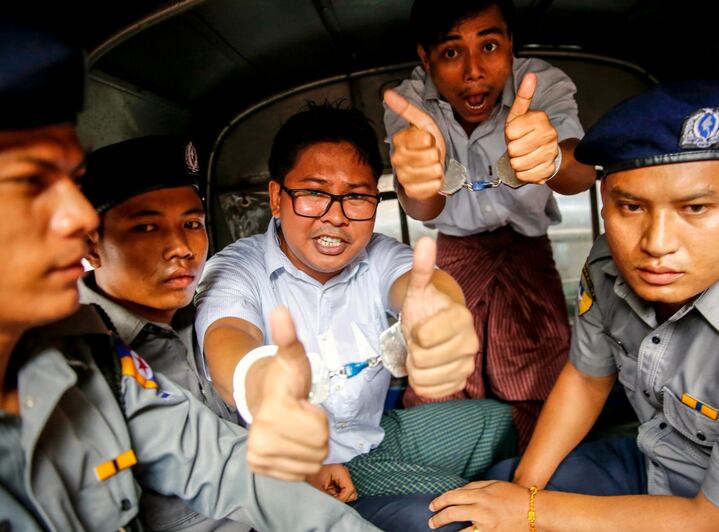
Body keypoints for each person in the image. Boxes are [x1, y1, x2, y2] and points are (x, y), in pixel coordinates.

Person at [0, 25, 378, 532]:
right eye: (29, 182)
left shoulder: (92, 364)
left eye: (194, 223)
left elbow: (223, 467)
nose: (76, 216)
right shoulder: (108, 347)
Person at [428, 81, 719, 531]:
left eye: (696, 208)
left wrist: (530, 511)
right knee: (490, 496)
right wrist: (524, 492)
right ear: (604, 202)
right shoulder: (608, 265)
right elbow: (587, 379)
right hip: (652, 462)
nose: (657, 244)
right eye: (631, 207)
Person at [195, 103, 516, 531]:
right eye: (314, 193)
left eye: (357, 197)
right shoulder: (237, 269)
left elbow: (421, 284)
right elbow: (228, 335)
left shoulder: (377, 254)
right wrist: (265, 388)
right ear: (276, 197)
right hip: (294, 471)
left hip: (373, 435)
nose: (337, 216)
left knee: (495, 422)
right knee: (461, 511)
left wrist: (440, 316)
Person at [383, 0, 596, 446]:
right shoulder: (407, 103)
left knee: (544, 379)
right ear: (425, 58)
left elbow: (579, 175)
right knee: (441, 377)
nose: (474, 71)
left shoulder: (542, 83)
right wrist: (418, 179)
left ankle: (535, 479)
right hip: (453, 258)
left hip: (528, 256)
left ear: (511, 44)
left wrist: (553, 156)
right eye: (451, 52)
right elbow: (424, 210)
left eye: (490, 45)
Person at [79, 136, 246, 531]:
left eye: (192, 224)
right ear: (92, 245)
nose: (181, 248)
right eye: (147, 226)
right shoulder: (76, 360)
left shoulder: (213, 316)